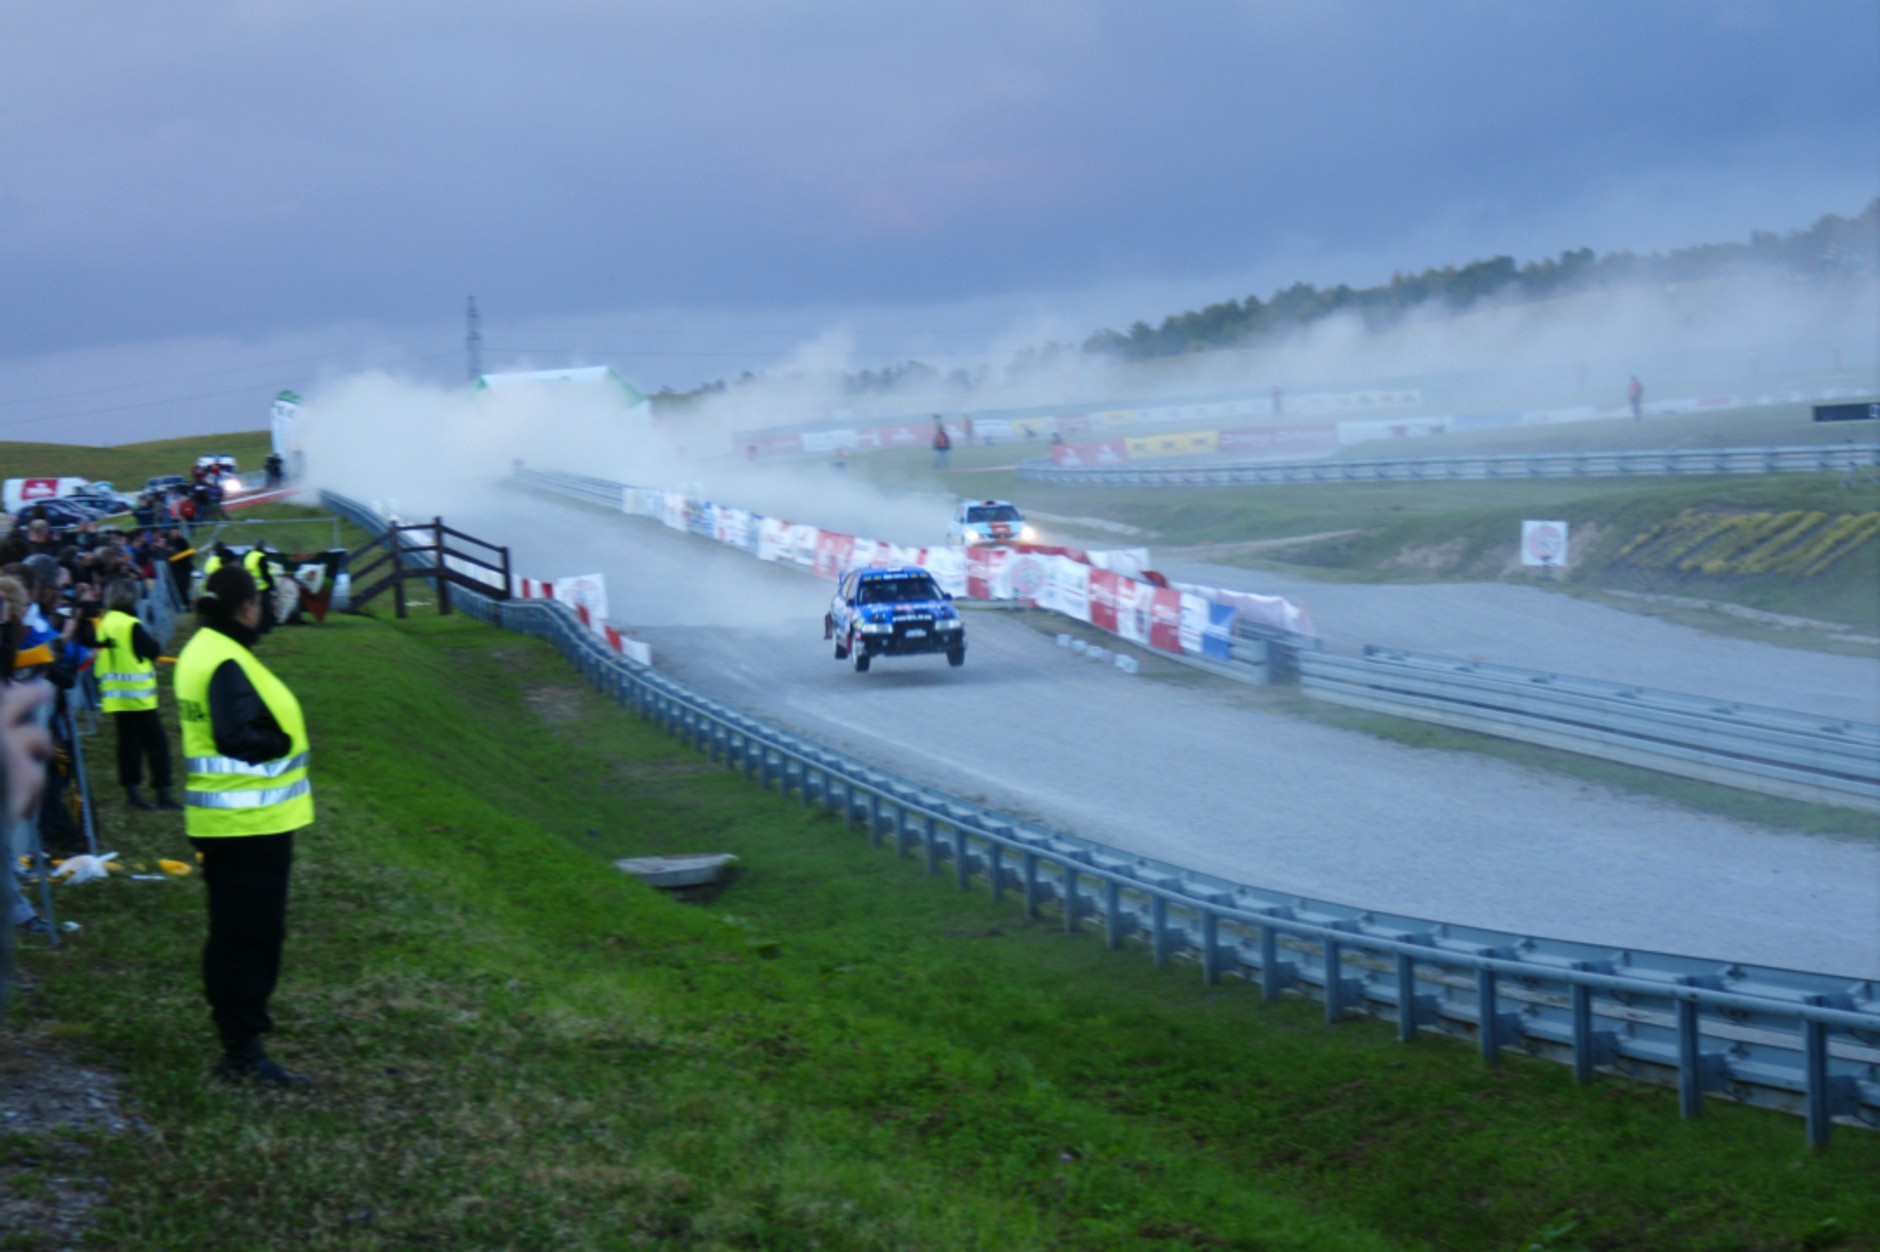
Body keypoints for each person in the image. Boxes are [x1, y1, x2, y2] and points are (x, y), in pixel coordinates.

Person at [172, 565, 315, 1087]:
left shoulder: (204, 648)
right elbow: (234, 735)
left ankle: (238, 1045)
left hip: (231, 821)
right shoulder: (225, 658)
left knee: (232, 933)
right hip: (248, 823)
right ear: (245, 606)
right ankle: (244, 1054)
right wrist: (278, 743)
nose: (261, 610)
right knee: (252, 937)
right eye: (257, 602)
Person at [96, 579, 178, 811]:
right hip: (137, 697)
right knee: (157, 744)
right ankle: (163, 792)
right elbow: (152, 650)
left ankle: (131, 791)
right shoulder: (130, 624)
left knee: (128, 744)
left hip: (116, 696)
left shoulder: (106, 622)